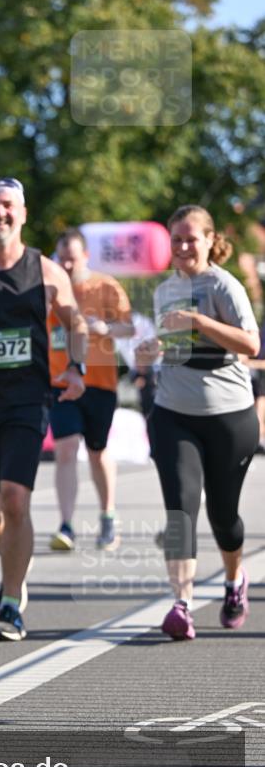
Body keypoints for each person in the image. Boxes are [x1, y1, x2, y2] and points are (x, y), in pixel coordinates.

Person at [0, 178, 86, 642]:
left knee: (16, 499)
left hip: (27, 402)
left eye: (8, 206)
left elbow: (77, 324)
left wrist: (76, 366)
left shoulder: (48, 272)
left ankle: (11, 603)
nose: (0, 214)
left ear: (23, 213)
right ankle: (16, 560)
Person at [136, 205, 260, 641]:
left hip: (229, 415)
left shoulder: (224, 285)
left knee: (223, 516)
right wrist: (150, 352)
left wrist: (200, 321)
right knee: (179, 511)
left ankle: (233, 580)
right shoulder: (164, 290)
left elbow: (250, 342)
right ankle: (181, 605)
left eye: (192, 238)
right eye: (177, 240)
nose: (184, 246)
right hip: (173, 413)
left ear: (210, 240)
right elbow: (172, 348)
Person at [48, 229, 135, 551]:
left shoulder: (105, 286)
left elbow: (129, 326)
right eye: (62, 258)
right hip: (60, 381)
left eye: (73, 258)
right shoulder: (50, 290)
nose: (67, 264)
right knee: (66, 448)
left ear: (85, 256)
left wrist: (105, 328)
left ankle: (108, 517)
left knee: (97, 450)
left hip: (100, 382)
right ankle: (67, 525)